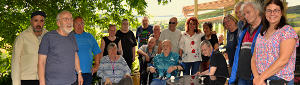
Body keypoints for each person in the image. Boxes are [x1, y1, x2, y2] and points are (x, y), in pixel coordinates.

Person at [251, 0, 299, 85]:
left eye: (276, 10)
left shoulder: (287, 31)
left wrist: (261, 78)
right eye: (269, 10)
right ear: (265, 13)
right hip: (261, 80)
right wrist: (257, 77)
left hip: (279, 80)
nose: (272, 13)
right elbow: (254, 57)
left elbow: (283, 60)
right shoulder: (262, 34)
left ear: (281, 13)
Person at [38, 10, 83, 85]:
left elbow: (75, 56)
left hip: (72, 82)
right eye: (66, 19)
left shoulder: (72, 36)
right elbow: (41, 62)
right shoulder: (48, 37)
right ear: (58, 23)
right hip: (53, 82)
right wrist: (42, 83)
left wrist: (79, 73)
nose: (69, 22)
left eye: (71, 19)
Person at [229, 2, 263, 85]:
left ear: (257, 11)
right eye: (244, 14)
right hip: (242, 76)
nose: (245, 16)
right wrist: (232, 78)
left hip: (258, 77)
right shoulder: (244, 31)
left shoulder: (266, 30)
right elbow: (237, 55)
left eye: (248, 12)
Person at [11, 11, 48, 85]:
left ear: (44, 22)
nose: (38, 24)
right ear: (31, 21)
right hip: (26, 80)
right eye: (36, 20)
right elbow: (15, 61)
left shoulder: (49, 36)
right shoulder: (22, 37)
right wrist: (16, 83)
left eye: (41, 21)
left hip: (45, 79)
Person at [73, 16, 101, 85]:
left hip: (87, 73)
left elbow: (97, 51)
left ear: (84, 25)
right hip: (72, 73)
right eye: (77, 23)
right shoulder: (69, 36)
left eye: (81, 23)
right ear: (73, 24)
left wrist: (96, 65)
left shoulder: (89, 36)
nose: (79, 26)